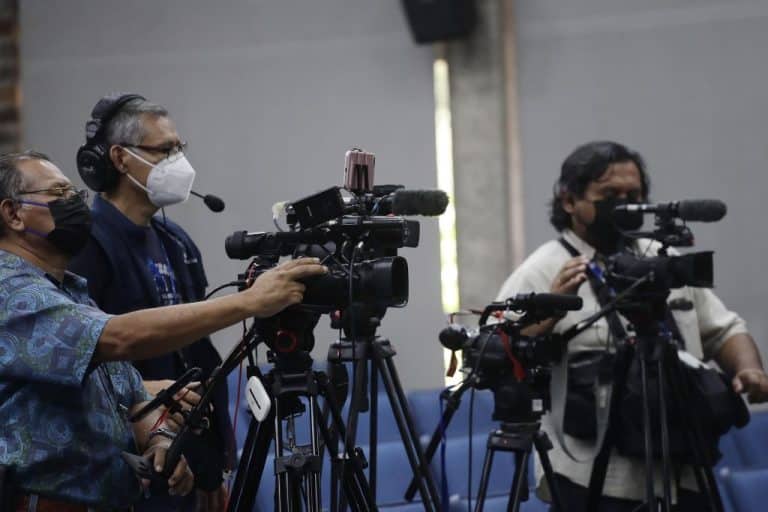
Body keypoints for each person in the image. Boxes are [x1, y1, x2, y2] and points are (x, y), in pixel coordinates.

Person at [0, 151, 326, 511]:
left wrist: (159, 438)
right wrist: (250, 302)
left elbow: (130, 395)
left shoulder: (70, 292)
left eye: (74, 192)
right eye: (59, 193)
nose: (76, 202)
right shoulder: (11, 292)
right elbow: (120, 338)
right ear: (13, 213)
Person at [496, 140, 768, 511]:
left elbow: (723, 329)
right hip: (595, 479)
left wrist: (749, 368)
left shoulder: (662, 260)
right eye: (609, 195)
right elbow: (499, 350)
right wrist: (551, 309)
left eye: (633, 194)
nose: (624, 205)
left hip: (682, 467)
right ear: (569, 201)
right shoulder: (541, 270)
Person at [68, 93, 231, 512]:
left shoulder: (175, 241)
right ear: (121, 159)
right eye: (165, 149)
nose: (179, 161)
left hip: (188, 459)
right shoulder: (88, 244)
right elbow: (84, 358)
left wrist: (213, 459)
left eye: (180, 148)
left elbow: (199, 354)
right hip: (129, 461)